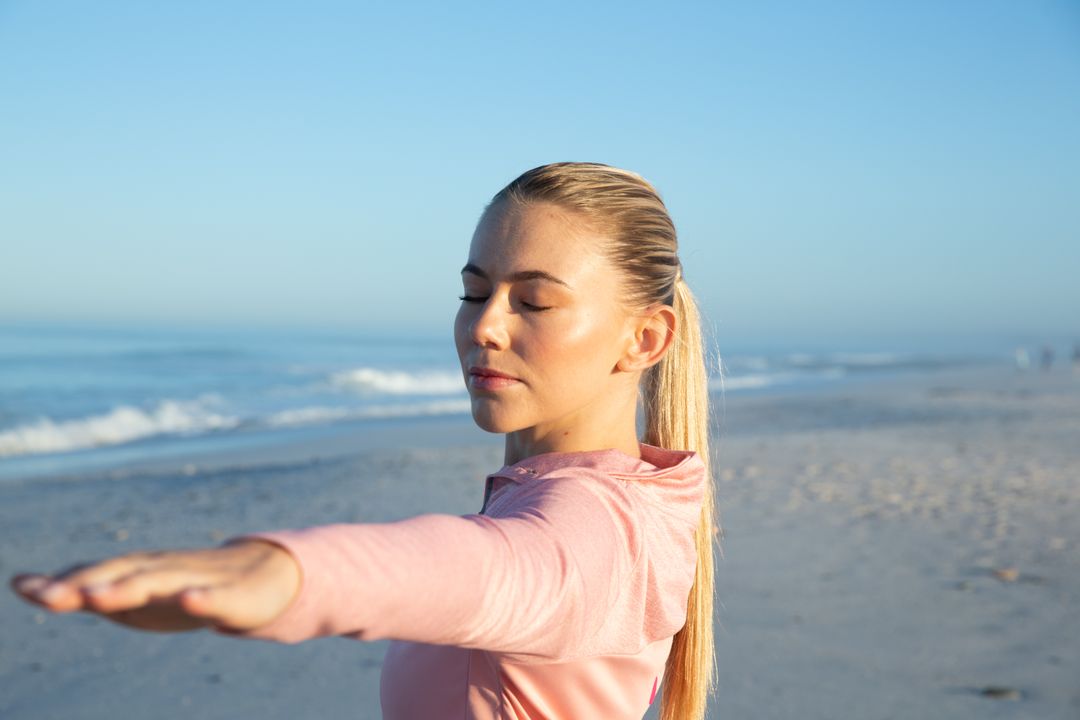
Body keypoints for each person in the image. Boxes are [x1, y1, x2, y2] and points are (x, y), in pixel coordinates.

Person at [9, 162, 720, 720]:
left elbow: (484, 573)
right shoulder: (637, 500)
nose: (484, 327)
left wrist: (288, 572)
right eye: (475, 292)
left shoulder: (598, 527)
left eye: (532, 301)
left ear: (645, 338)